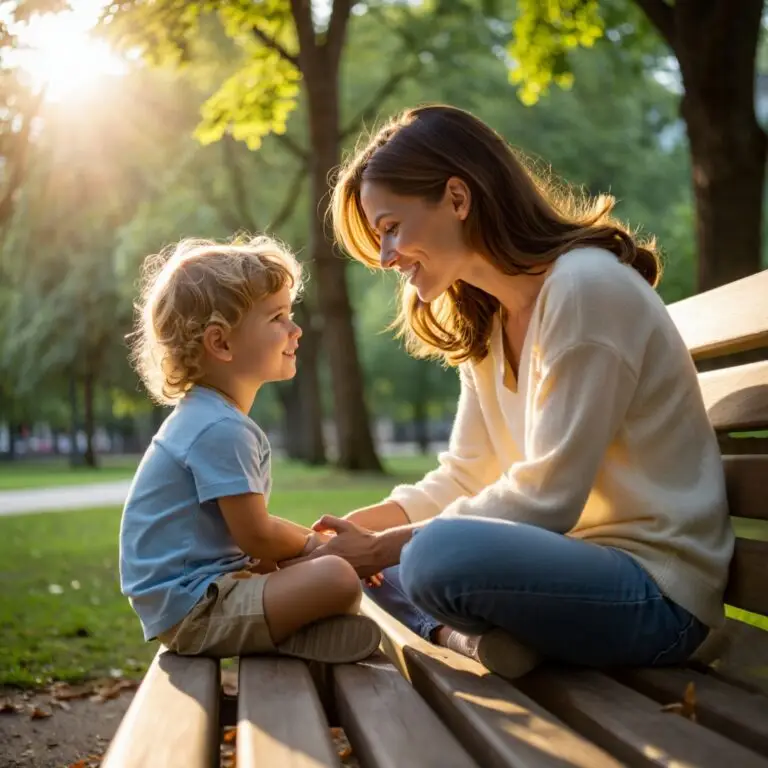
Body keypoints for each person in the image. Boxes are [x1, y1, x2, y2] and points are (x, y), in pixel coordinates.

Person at [287, 105, 734, 680]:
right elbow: (465, 477)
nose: (386, 256)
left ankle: (458, 629)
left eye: (391, 227)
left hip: (656, 595)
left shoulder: (585, 289)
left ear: (457, 197)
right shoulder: (490, 322)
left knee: (427, 557)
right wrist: (344, 537)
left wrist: (382, 548)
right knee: (371, 566)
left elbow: (549, 498)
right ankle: (471, 640)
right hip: (565, 572)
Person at [119, 236, 380, 662]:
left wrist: (303, 552)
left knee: (319, 571)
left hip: (197, 595)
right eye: (277, 317)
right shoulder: (218, 427)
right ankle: (289, 634)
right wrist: (315, 545)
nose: (295, 330)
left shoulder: (209, 417)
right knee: (337, 576)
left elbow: (253, 544)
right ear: (221, 343)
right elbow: (257, 535)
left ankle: (290, 635)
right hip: (193, 607)